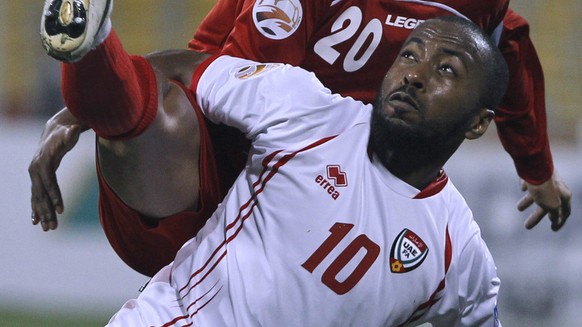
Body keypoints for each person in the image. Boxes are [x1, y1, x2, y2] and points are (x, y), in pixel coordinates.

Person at [30, 0, 571, 277]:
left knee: (158, 118)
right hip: (263, 191)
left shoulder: (481, 16)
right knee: (161, 114)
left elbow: (511, 63)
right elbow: (211, 63)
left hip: (302, 193)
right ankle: (94, 51)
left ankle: (100, 63)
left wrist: (538, 168)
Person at [101, 15, 507, 326]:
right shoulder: (306, 109)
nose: (415, 75)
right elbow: (180, 70)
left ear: (478, 124)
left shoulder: (459, 254)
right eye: (409, 55)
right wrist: (88, 106)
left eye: (446, 70)